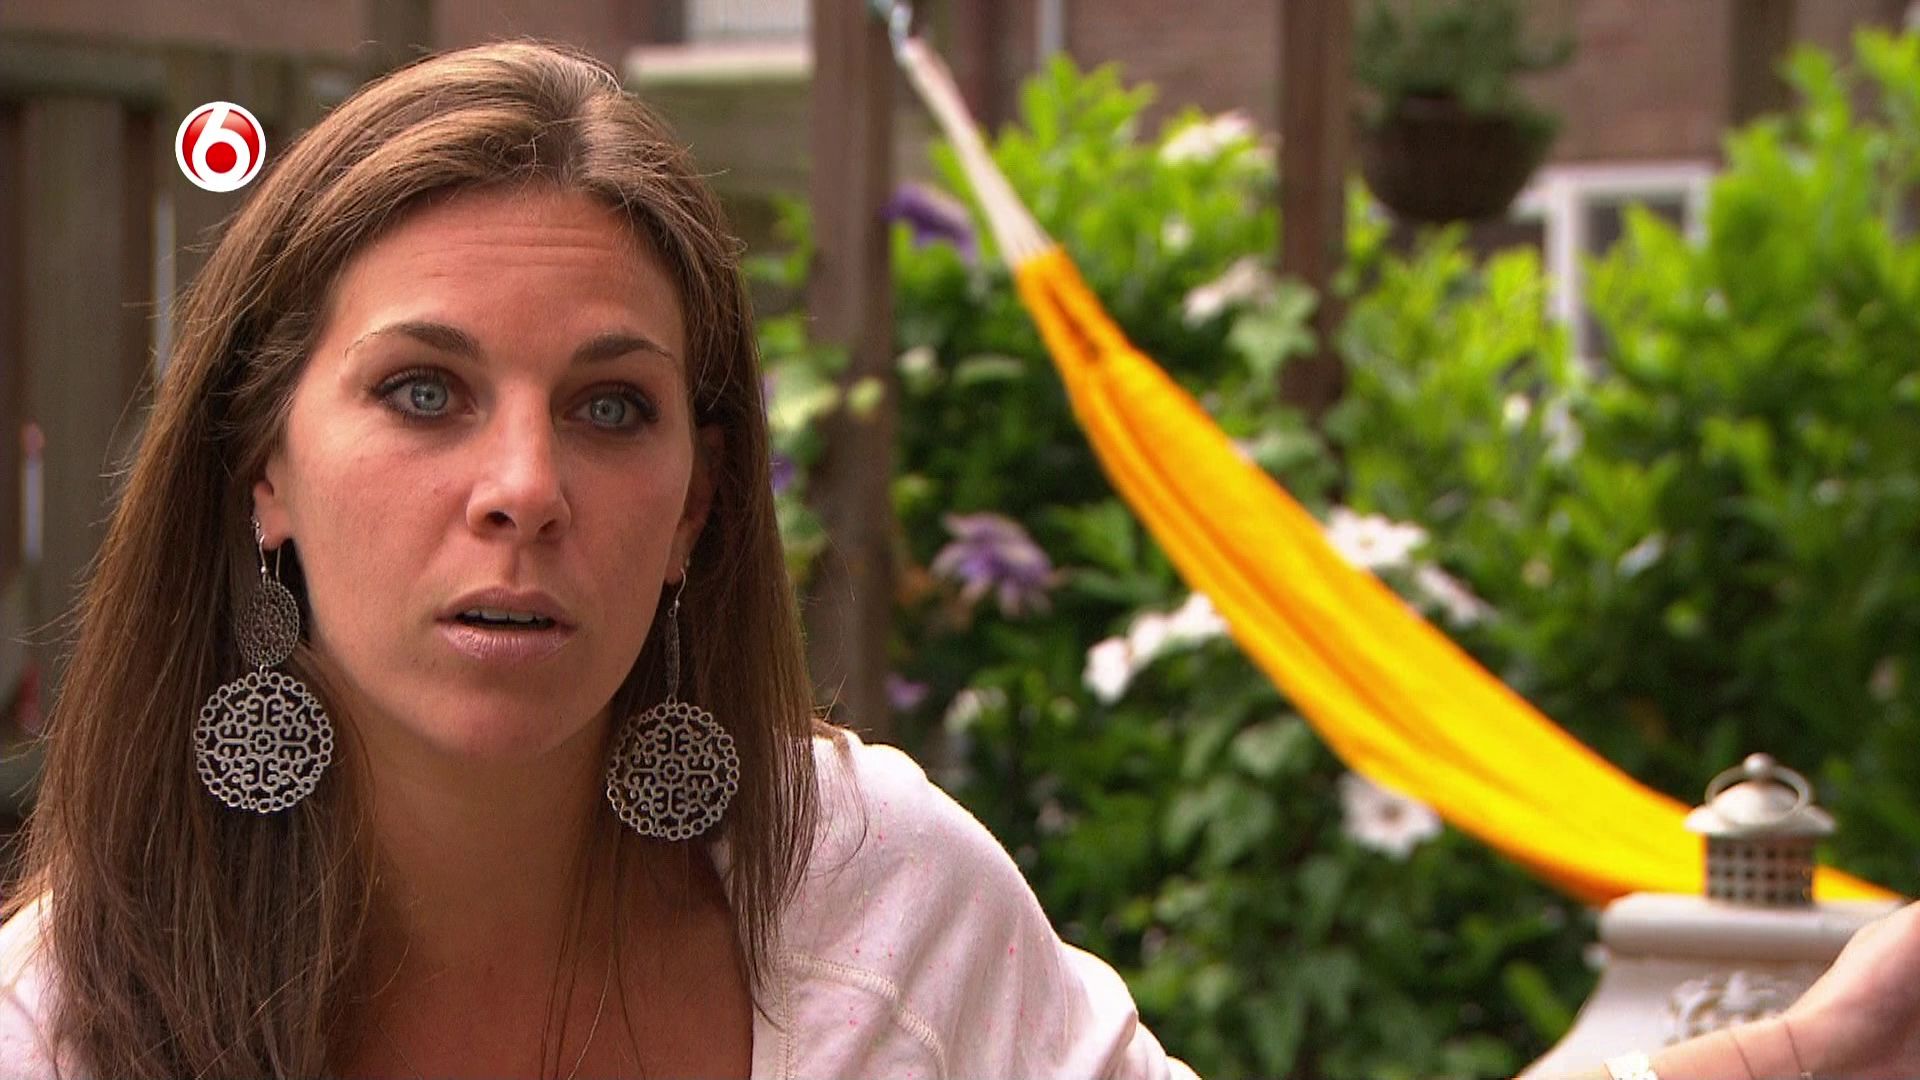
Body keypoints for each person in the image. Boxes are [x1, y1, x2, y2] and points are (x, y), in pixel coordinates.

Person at [0, 37, 1913, 1080]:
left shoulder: (872, 902)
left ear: (697, 506)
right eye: (423, 393)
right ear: (261, 470)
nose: (524, 486)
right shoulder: (65, 1020)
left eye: (612, 407)